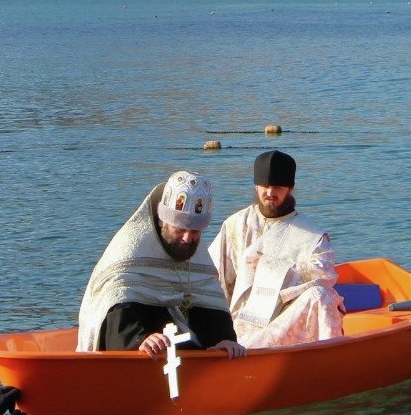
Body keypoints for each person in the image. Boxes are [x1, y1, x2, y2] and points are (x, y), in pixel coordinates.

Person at [75, 170, 247, 359]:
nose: (188, 238)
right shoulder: (129, 251)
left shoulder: (198, 259)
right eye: (180, 229)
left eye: (195, 232)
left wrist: (224, 339)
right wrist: (140, 340)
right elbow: (115, 308)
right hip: (141, 352)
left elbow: (209, 305)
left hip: (186, 355)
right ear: (161, 221)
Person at [208, 150, 344, 348]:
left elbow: (325, 274)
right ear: (256, 186)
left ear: (290, 188)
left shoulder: (313, 235)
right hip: (241, 323)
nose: (270, 193)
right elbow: (213, 275)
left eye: (278, 187)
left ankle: (327, 361)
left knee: (322, 296)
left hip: (287, 319)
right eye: (265, 186)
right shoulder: (235, 225)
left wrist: (268, 266)